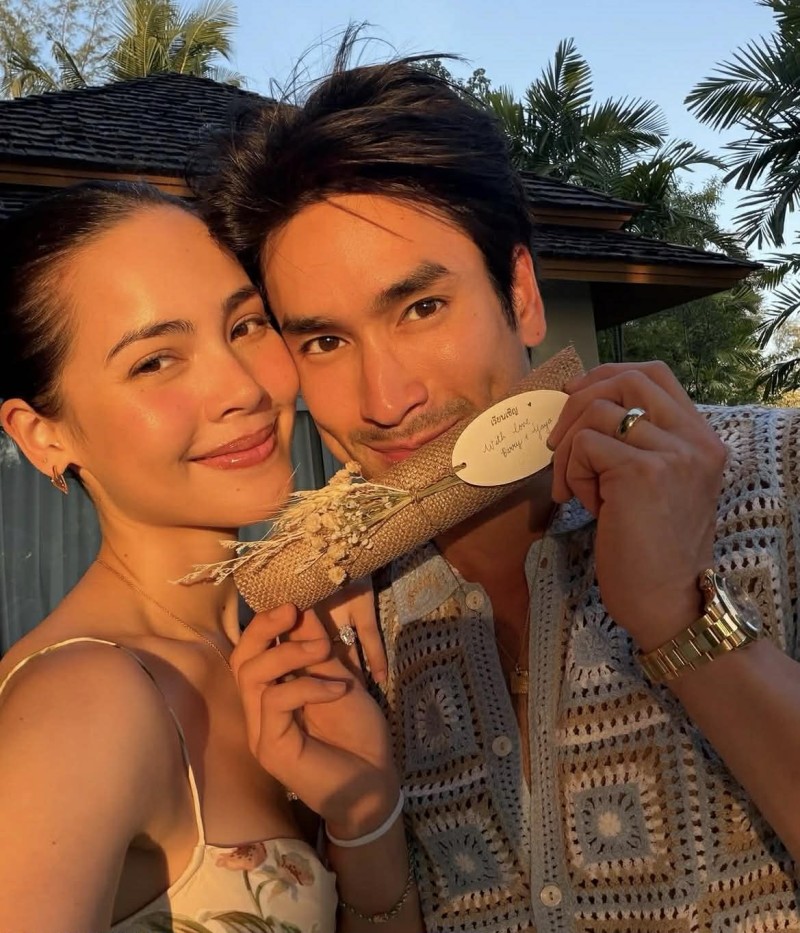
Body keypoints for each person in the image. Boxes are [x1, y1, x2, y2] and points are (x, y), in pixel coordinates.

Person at [202, 57, 800, 932]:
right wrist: (366, 817)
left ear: (519, 295)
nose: (384, 400)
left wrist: (682, 619)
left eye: (421, 308)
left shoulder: (773, 475)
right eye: (325, 342)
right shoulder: (339, 633)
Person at [0, 182, 421, 933]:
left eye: (246, 325)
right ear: (44, 435)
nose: (242, 388)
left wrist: (364, 814)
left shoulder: (283, 642)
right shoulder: (84, 704)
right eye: (155, 361)